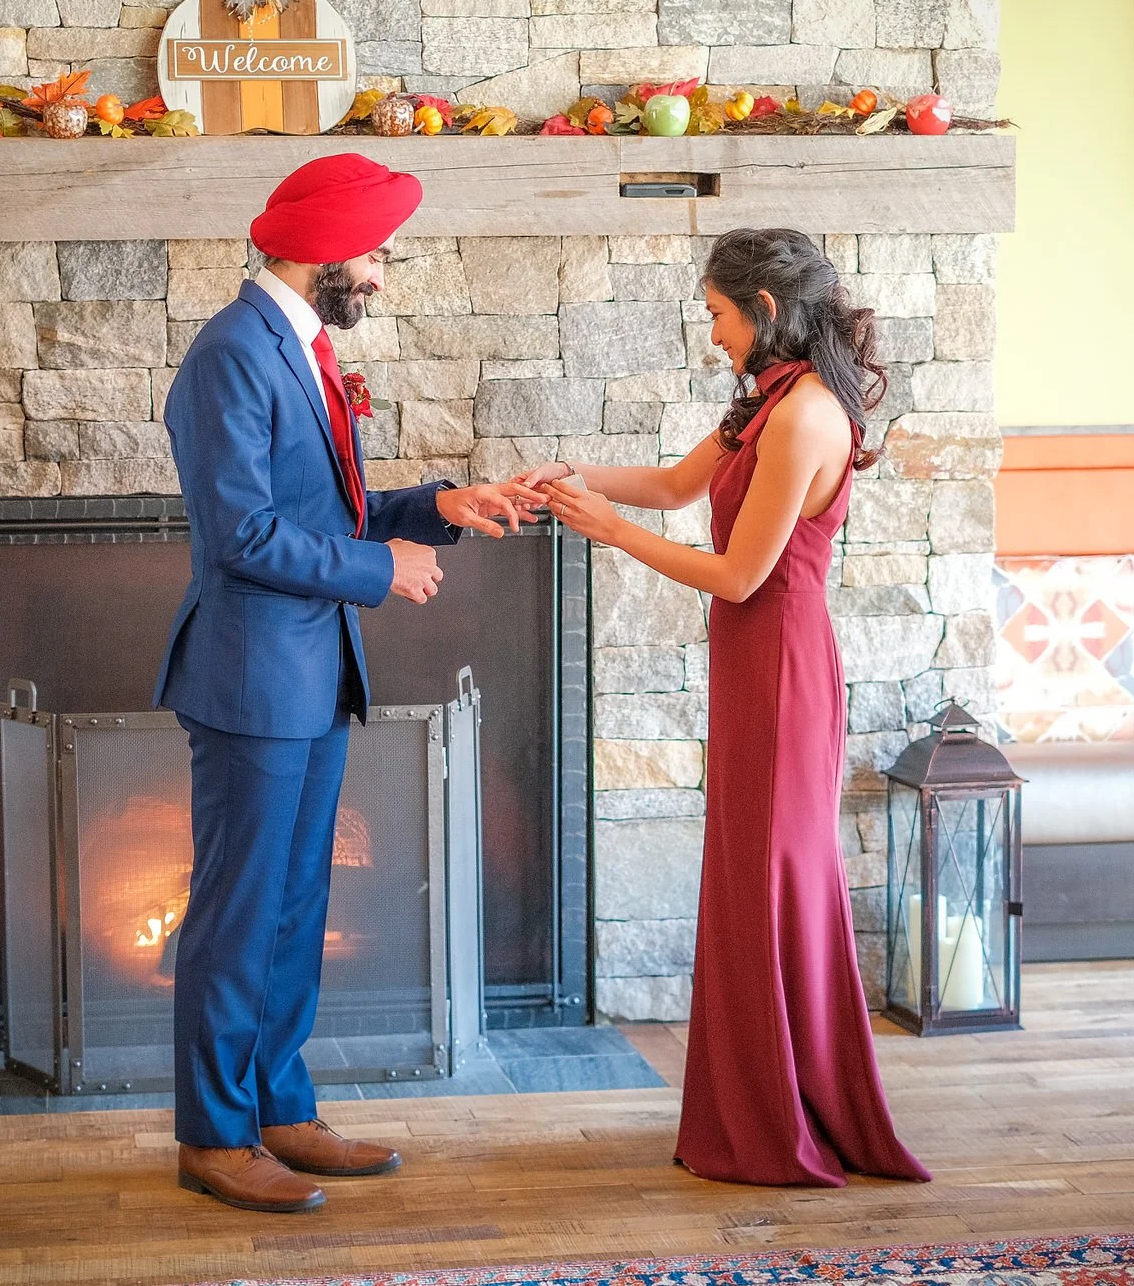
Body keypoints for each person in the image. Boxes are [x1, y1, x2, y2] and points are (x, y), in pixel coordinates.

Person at [155, 153, 546, 1214]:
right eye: (372, 253)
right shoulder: (230, 355)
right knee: (239, 916)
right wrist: (380, 572)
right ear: (322, 249)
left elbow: (324, 512)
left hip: (312, 679)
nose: (378, 273)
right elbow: (240, 534)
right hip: (249, 684)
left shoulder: (302, 349)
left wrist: (440, 504)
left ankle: (281, 1111)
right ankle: (212, 1135)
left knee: (293, 906)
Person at [522, 228, 931, 1188]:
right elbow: (673, 484)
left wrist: (610, 533)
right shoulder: (770, 400)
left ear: (766, 310)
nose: (710, 334)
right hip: (752, 668)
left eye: (716, 315)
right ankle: (767, 1102)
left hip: (782, 667)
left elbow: (742, 576)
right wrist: (566, 479)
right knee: (750, 881)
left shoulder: (803, 419)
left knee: (770, 886)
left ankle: (786, 1114)